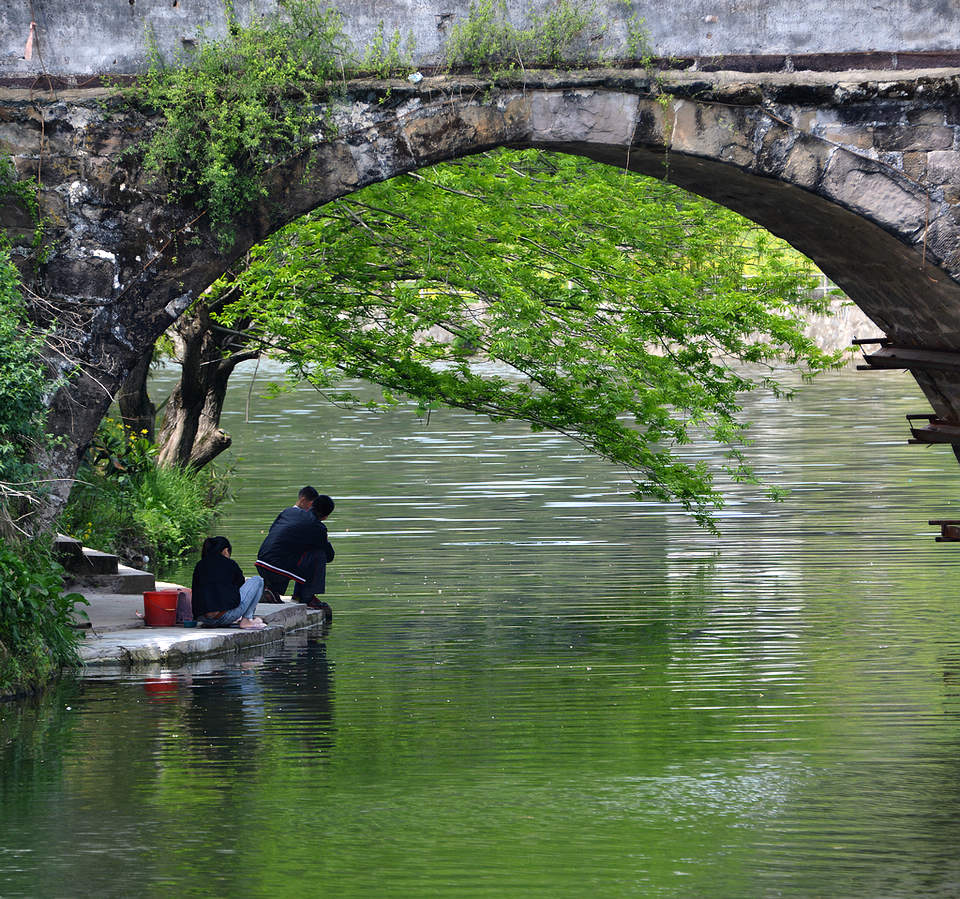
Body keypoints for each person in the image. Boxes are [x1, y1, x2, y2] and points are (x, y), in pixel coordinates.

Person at [255, 486, 335, 615]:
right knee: (318, 554)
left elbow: (273, 532)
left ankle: (271, 590)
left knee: (289, 549)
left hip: (262, 561)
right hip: (278, 569)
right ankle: (306, 597)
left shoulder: (288, 512)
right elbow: (329, 556)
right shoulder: (318, 527)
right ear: (325, 516)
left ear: (312, 505)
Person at [191, 536, 267, 630]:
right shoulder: (230, 564)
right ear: (226, 550)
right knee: (258, 580)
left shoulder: (199, 565)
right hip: (224, 616)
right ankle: (247, 619)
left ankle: (215, 621)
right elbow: (241, 585)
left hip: (203, 619)